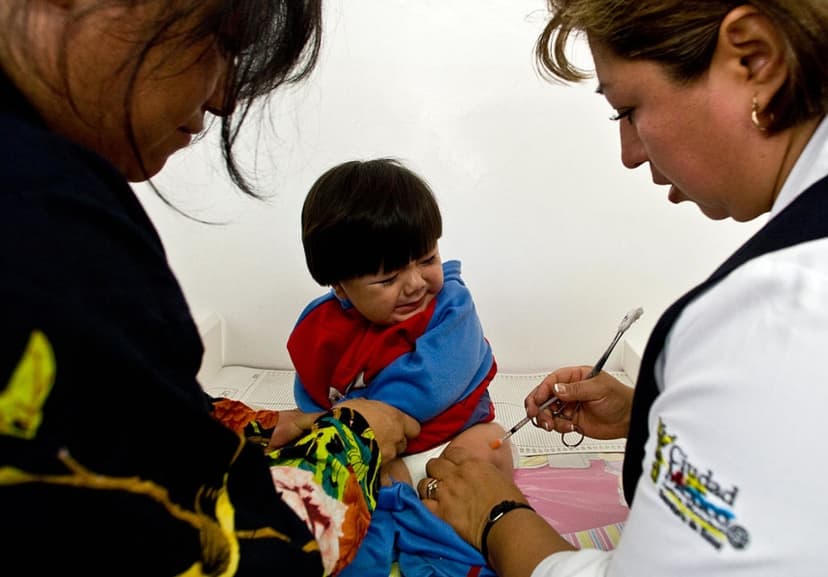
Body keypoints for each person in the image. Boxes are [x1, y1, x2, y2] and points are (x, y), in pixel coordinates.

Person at [0, 2, 420, 575]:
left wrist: (255, 426)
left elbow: (122, 414)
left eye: (426, 260)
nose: (223, 98)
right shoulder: (41, 222)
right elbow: (235, 548)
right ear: (339, 287)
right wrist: (358, 438)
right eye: (220, 41)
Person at [415, 2, 828, 577]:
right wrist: (654, 418)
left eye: (627, 111)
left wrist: (494, 511)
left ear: (754, 58)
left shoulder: (783, 312)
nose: (630, 154)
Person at [280, 157, 513, 577]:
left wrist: (359, 428)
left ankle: (449, 533)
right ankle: (396, 513)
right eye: (387, 279)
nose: (415, 283)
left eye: (426, 259)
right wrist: (321, 428)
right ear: (339, 286)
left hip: (453, 436)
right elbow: (314, 394)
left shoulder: (451, 306)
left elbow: (435, 382)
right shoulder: (323, 326)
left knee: (486, 450)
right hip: (378, 453)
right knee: (335, 491)